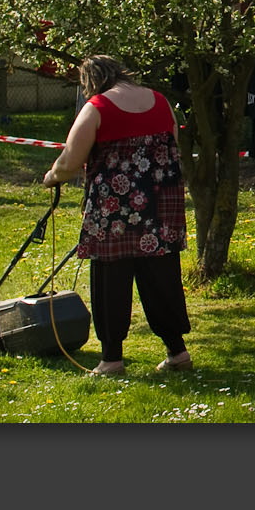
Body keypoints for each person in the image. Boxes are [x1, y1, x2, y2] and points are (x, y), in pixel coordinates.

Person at [43, 55, 193, 377]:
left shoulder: (97, 107)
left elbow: (70, 162)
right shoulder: (160, 101)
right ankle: (177, 352)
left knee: (111, 280)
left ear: (91, 81)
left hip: (115, 210)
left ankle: (111, 360)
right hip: (161, 206)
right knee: (161, 278)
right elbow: (172, 145)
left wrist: (52, 176)